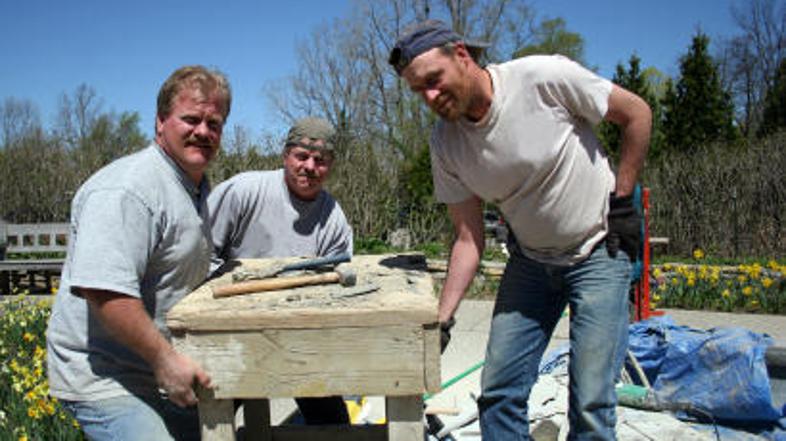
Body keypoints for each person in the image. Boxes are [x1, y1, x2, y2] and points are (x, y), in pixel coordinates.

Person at [389, 20, 652, 440]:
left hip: (600, 247)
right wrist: (441, 320)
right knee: (498, 393)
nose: (430, 97)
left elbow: (637, 114)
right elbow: (468, 239)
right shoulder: (445, 144)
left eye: (434, 81)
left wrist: (623, 200)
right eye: (419, 91)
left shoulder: (542, 78)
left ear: (462, 54)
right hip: (531, 262)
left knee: (590, 402)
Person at [46, 65, 231, 441]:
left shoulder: (193, 188)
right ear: (161, 122)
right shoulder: (129, 190)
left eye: (214, 123)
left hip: (156, 370)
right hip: (105, 378)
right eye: (191, 119)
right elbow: (106, 291)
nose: (203, 132)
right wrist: (165, 360)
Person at [207, 116, 352, 425]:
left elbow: (335, 285)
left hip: (299, 332)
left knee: (334, 423)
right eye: (302, 156)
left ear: (331, 166)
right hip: (234, 328)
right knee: (207, 419)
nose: (310, 167)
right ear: (286, 155)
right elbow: (200, 256)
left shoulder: (334, 219)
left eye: (321, 160)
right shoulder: (243, 190)